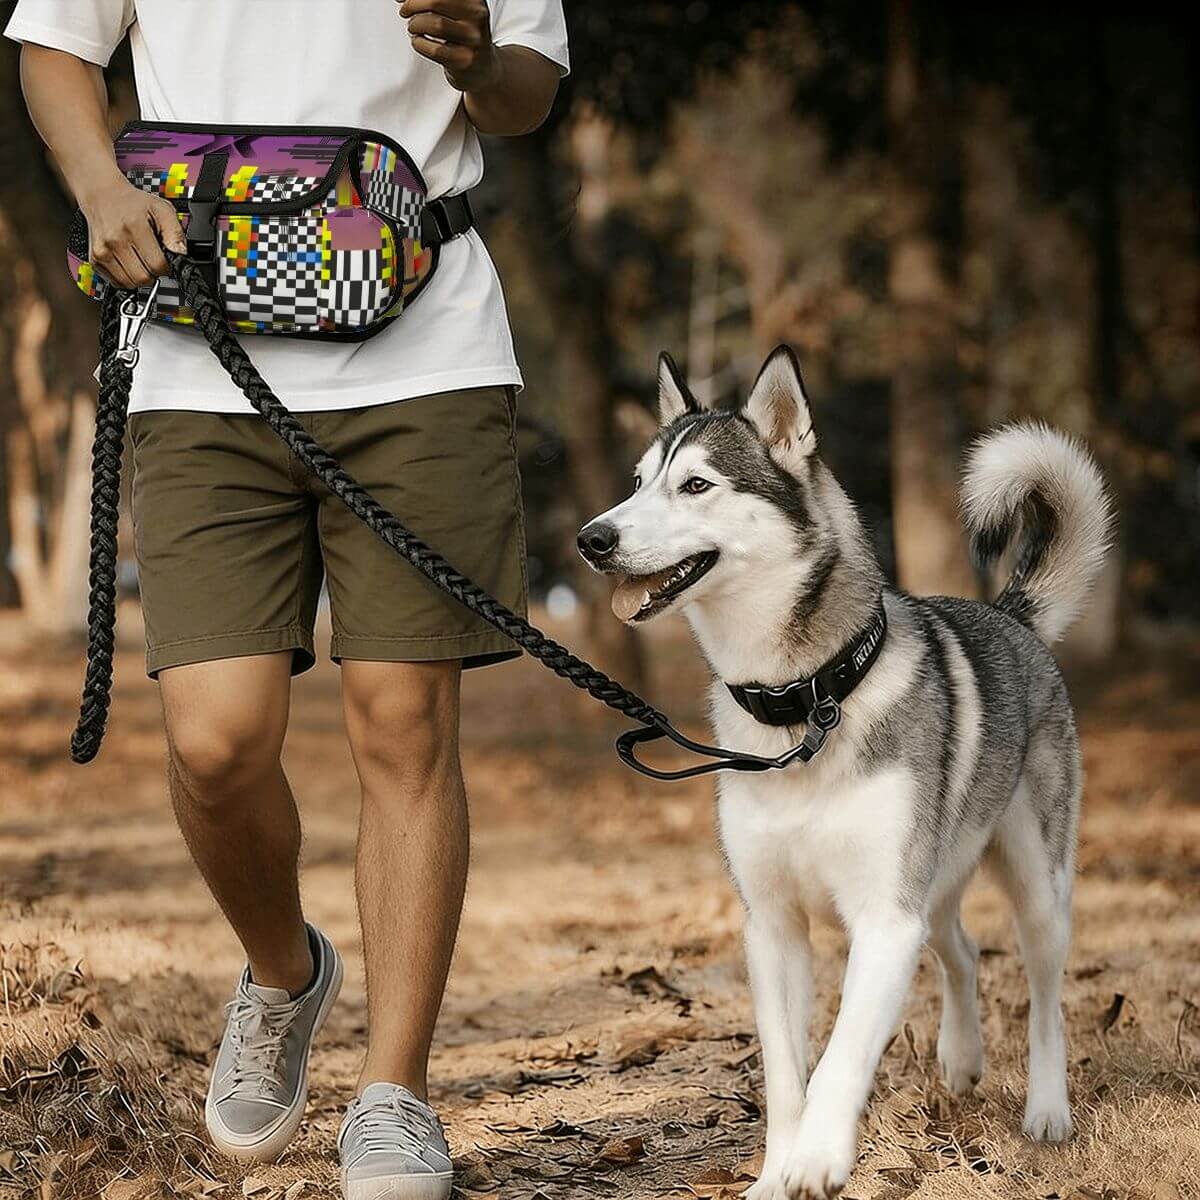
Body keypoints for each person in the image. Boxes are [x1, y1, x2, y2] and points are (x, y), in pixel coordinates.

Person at [6, 2, 567, 1196]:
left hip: (425, 350)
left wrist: (479, 60)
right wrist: (100, 187)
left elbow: (529, 92)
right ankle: (282, 973)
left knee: (404, 727)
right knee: (216, 743)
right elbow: (55, 46)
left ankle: (395, 1094)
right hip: (197, 349)